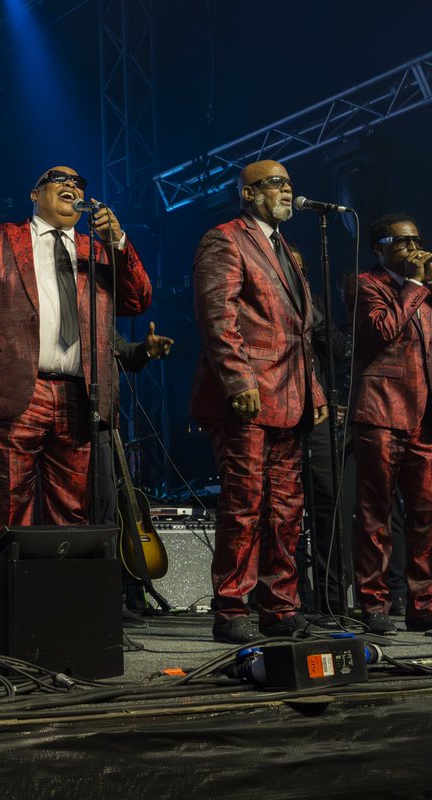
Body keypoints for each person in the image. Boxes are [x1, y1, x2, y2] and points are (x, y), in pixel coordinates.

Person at [0, 166, 152, 541]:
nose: (71, 185)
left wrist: (117, 241)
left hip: (80, 395)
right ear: (34, 194)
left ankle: (61, 597)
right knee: (9, 509)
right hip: (17, 386)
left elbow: (137, 299)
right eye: (58, 179)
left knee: (72, 512)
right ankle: (12, 597)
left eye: (78, 182)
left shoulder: (95, 249)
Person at [190, 159, 327, 644]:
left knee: (287, 509)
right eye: (275, 184)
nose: (287, 191)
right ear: (247, 194)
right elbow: (217, 317)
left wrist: (317, 391)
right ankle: (230, 607)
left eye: (290, 183)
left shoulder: (287, 250)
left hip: (292, 395)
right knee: (244, 505)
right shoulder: (224, 239)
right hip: (247, 396)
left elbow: (301, 332)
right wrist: (237, 381)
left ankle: (280, 607)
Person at [348, 213, 432, 634]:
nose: (415, 248)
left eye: (417, 239)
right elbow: (382, 330)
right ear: (380, 248)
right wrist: (415, 286)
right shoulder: (365, 284)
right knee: (376, 515)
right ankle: (376, 605)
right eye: (403, 242)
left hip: (428, 417)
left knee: (426, 517)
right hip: (382, 412)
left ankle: (424, 606)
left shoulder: (426, 290)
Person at [285, 241, 353, 617]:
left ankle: (332, 598)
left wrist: (313, 306)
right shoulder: (261, 306)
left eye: (303, 272)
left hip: (319, 419)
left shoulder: (314, 307)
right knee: (284, 510)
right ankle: (292, 596)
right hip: (278, 415)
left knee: (331, 506)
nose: (297, 278)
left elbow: (341, 349)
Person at [93, 323, 174, 527]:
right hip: (37, 406)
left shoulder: (91, 304)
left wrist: (144, 351)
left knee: (104, 503)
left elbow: (119, 350)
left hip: (93, 417)